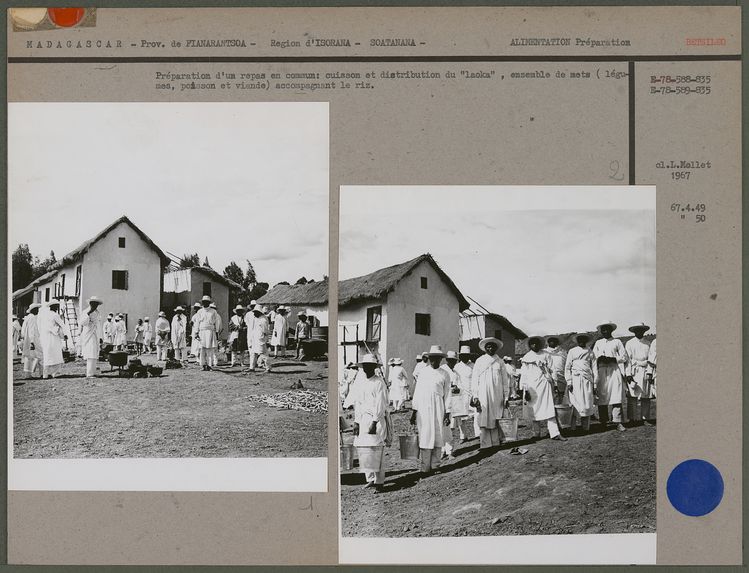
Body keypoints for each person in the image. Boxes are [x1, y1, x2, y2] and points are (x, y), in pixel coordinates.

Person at [343, 353, 390, 491]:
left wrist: (374, 422)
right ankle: (370, 478)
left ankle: (379, 481)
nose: (367, 369)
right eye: (365, 366)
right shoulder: (361, 382)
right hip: (363, 418)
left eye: (370, 366)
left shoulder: (379, 382)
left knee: (376, 449)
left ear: (374, 367)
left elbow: (380, 405)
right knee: (363, 449)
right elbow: (358, 403)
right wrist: (357, 422)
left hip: (375, 419)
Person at [410, 345, 451, 474]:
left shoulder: (445, 374)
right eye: (432, 358)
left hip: (439, 406)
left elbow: (448, 394)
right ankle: (425, 467)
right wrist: (414, 410)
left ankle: (436, 465)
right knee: (425, 435)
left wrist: (447, 412)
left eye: (437, 358)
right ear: (429, 358)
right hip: (423, 407)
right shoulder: (423, 372)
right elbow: (417, 392)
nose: (434, 361)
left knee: (438, 434)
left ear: (441, 359)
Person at [521, 336, 565, 441]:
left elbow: (552, 370)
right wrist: (525, 388)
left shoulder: (546, 354)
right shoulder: (527, 357)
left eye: (536, 343)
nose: (534, 345)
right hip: (532, 386)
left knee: (549, 407)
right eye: (532, 343)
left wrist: (554, 383)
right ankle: (536, 433)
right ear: (529, 345)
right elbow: (524, 374)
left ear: (540, 344)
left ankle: (554, 433)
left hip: (545, 384)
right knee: (534, 409)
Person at [470, 337, 509, 448]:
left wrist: (506, 397)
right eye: (488, 346)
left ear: (496, 348)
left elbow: (505, 381)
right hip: (483, 393)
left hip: (497, 394)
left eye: (492, 346)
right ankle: (485, 444)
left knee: (496, 416)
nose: (490, 348)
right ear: (485, 348)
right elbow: (474, 379)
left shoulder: (500, 362)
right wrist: (475, 395)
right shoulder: (480, 361)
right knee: (484, 416)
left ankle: (496, 442)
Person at [592, 321, 628, 432]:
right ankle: (603, 422)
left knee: (616, 395)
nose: (605, 331)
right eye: (603, 330)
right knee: (602, 396)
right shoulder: (598, 343)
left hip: (614, 370)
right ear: (601, 331)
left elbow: (624, 356)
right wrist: (600, 358)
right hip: (602, 371)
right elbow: (593, 357)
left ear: (611, 330)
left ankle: (618, 422)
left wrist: (613, 359)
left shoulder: (617, 342)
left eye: (607, 329)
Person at [564, 334, 597, 432]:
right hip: (575, 380)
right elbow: (567, 367)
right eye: (579, 339)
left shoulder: (590, 352)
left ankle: (586, 427)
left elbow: (594, 368)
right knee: (575, 403)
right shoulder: (572, 351)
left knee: (586, 402)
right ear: (577, 341)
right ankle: (573, 427)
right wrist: (569, 381)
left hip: (587, 380)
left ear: (586, 340)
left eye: (583, 339)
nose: (581, 341)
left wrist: (595, 383)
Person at [625, 323, 654, 426]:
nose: (639, 332)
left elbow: (651, 359)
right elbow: (627, 360)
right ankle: (632, 419)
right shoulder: (629, 343)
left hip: (645, 369)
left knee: (645, 395)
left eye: (641, 330)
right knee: (632, 395)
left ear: (644, 331)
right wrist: (628, 374)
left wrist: (650, 372)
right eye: (637, 330)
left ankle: (645, 418)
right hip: (634, 370)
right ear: (634, 331)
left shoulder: (648, 343)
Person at [443, 350, 472, 446]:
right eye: (450, 360)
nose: (452, 362)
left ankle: (461, 438)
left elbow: (459, 384)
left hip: (455, 399)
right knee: (447, 424)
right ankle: (445, 448)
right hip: (445, 399)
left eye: (454, 360)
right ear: (447, 360)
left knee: (457, 420)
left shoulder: (455, 372)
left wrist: (456, 388)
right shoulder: (443, 370)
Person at [38, 300, 66, 379]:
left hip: (45, 337)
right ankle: (54, 373)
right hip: (53, 336)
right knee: (55, 354)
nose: (57, 307)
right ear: (53, 306)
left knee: (48, 354)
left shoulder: (44, 315)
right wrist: (64, 334)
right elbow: (62, 324)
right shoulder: (54, 315)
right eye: (56, 306)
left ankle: (46, 374)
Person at [193, 296, 221, 371]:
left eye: (207, 302)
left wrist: (217, 331)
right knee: (202, 349)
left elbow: (217, 323)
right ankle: (203, 365)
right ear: (202, 303)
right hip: (202, 331)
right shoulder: (200, 312)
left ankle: (209, 365)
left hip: (210, 331)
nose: (205, 303)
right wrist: (196, 332)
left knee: (210, 349)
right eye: (204, 302)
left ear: (209, 303)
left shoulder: (213, 311)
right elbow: (197, 323)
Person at [454, 345, 476, 440]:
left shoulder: (473, 366)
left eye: (466, 355)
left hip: (472, 392)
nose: (464, 357)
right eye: (462, 355)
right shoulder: (457, 366)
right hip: (461, 394)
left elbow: (476, 380)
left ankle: (478, 434)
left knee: (476, 414)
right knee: (460, 415)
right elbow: (455, 379)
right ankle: (463, 435)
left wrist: (475, 393)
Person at [79, 295, 103, 378]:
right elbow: (83, 323)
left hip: (95, 334)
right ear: (90, 304)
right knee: (90, 352)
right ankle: (89, 373)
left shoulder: (97, 312)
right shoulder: (85, 312)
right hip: (89, 334)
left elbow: (98, 325)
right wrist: (88, 313)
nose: (96, 306)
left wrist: (100, 337)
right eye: (94, 304)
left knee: (94, 353)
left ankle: (92, 372)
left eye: (97, 304)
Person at [21, 303, 42, 378]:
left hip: (28, 339)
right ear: (34, 310)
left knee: (29, 356)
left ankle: (28, 374)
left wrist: (24, 339)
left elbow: (23, 331)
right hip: (33, 339)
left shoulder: (27, 317)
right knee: (40, 355)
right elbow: (31, 330)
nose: (38, 311)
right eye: (37, 309)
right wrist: (32, 342)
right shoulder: (32, 318)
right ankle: (42, 373)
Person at [545, 336, 568, 404]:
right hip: (549, 378)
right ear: (548, 342)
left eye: (554, 340)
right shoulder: (544, 352)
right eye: (550, 340)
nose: (552, 342)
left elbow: (567, 365)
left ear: (557, 342)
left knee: (562, 396)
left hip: (561, 377)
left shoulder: (563, 352)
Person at [248, 305, 270, 372]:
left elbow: (265, 331)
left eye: (255, 312)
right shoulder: (257, 319)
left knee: (263, 354)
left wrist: (265, 339)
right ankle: (252, 367)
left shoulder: (263, 320)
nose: (254, 314)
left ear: (259, 312)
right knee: (253, 353)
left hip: (260, 339)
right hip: (255, 338)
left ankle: (268, 367)